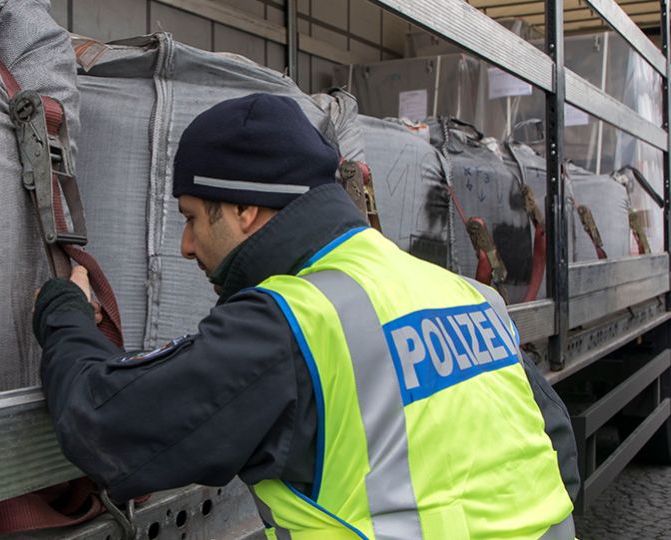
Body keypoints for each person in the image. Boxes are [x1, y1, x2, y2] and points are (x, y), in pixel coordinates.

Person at [32, 93, 578, 539]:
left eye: (193, 217)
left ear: (246, 209)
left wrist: (65, 311)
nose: (185, 244)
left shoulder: (292, 322)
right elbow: (554, 442)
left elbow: (106, 423)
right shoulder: (463, 294)